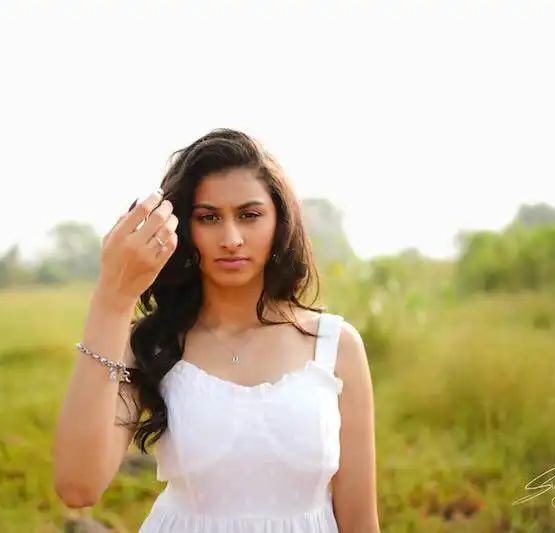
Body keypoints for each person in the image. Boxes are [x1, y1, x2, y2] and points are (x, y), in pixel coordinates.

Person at [53, 129, 380, 532]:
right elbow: (77, 487)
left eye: (249, 215)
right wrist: (111, 301)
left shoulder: (334, 346)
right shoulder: (153, 345)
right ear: (185, 231)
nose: (230, 238)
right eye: (209, 217)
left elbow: (361, 522)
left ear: (280, 222)